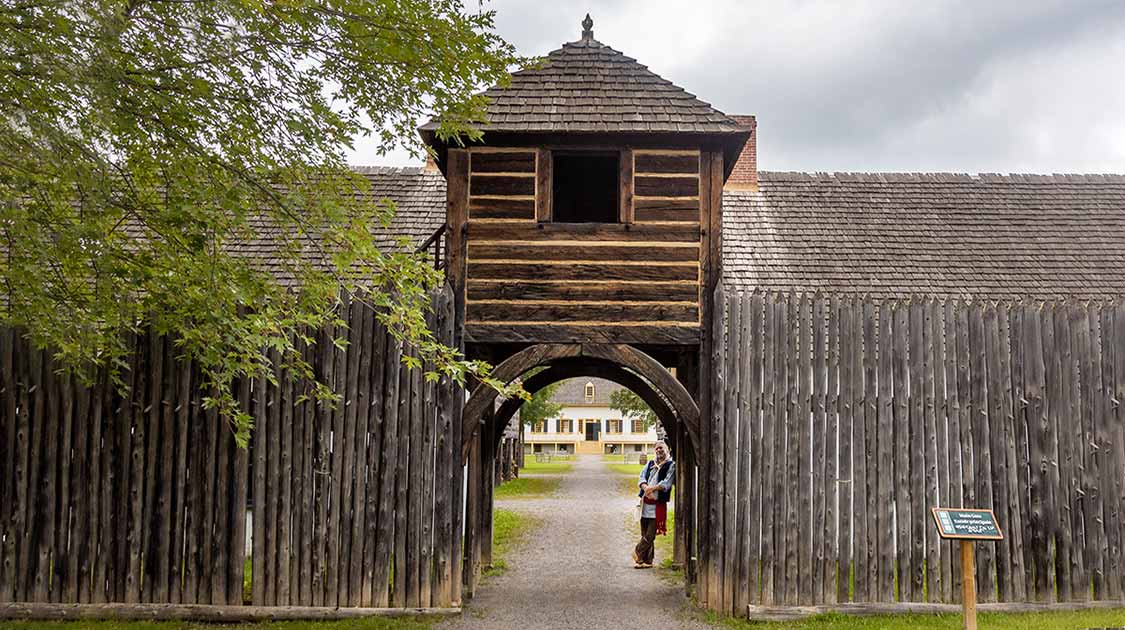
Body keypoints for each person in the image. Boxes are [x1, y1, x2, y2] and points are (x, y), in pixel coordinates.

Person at [633, 441, 675, 568]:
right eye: (656, 449)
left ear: (666, 449)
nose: (659, 451)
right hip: (645, 503)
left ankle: (637, 552)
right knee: (644, 533)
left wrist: (653, 489)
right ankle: (646, 561)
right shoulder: (650, 463)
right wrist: (646, 488)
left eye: (661, 448)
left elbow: (666, 483)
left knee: (650, 534)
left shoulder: (670, 465)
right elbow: (641, 478)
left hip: (657, 505)